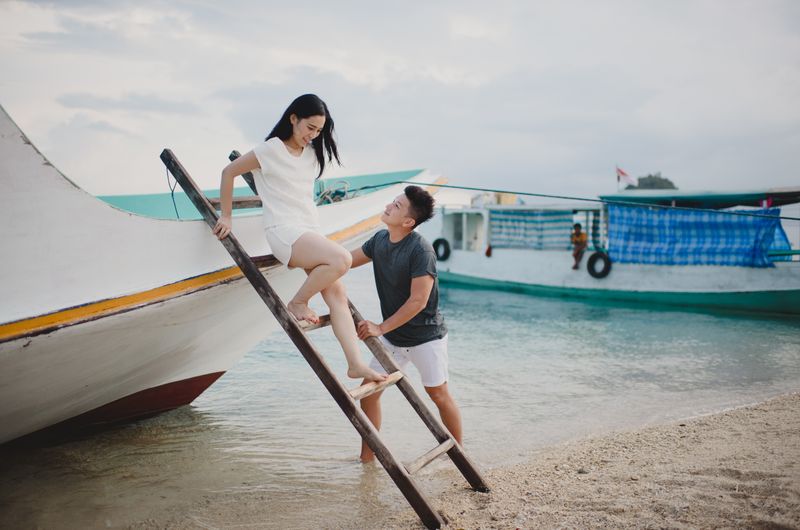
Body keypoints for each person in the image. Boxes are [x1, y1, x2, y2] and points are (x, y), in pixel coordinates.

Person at [212, 94, 385, 383]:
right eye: (310, 128)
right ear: (293, 118)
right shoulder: (271, 150)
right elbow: (228, 172)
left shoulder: (313, 154)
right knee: (342, 258)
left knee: (338, 296)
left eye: (319, 131)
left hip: (310, 230)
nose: (313, 135)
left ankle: (355, 364)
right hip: (284, 232)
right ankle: (297, 303)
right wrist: (226, 216)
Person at [351, 185, 462, 463]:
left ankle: (460, 458)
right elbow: (346, 261)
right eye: (393, 202)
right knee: (369, 393)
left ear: (408, 221)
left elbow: (418, 301)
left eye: (397, 206)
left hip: (427, 338)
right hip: (394, 338)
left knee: (438, 395)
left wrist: (380, 328)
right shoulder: (379, 240)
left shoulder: (420, 250)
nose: (389, 206)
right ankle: (367, 460)